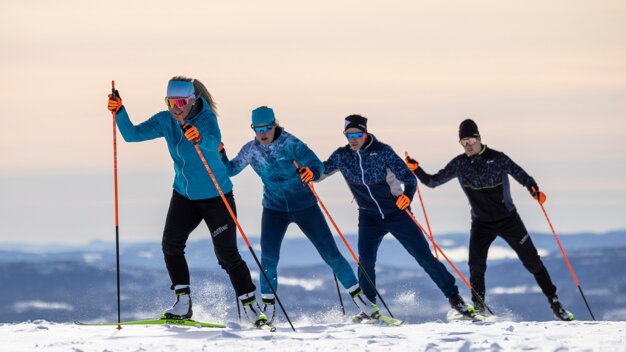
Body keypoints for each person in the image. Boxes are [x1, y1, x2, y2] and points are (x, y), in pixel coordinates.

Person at [106, 76, 267, 325]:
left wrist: (198, 138)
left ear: (192, 100)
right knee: (170, 244)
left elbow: (213, 142)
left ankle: (251, 305)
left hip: (216, 196)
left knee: (226, 255)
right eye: (170, 102)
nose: (175, 107)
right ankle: (183, 303)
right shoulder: (166, 120)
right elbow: (132, 135)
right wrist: (120, 112)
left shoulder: (206, 119)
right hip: (184, 195)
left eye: (181, 102)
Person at [221, 106, 382, 324]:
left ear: (274, 124)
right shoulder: (251, 149)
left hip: (305, 207)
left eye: (267, 127)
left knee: (331, 255)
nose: (262, 133)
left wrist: (311, 172)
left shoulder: (290, 143)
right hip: (273, 210)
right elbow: (230, 169)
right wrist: (220, 153)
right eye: (257, 129)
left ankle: (363, 302)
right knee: (268, 259)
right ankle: (268, 310)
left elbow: (316, 164)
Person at [405, 119, 574, 321]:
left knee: (532, 261)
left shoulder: (498, 158)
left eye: (470, 140)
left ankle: (555, 303)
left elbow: (522, 175)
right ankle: (479, 309)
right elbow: (433, 181)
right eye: (463, 142)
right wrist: (416, 169)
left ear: (479, 138)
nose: (468, 145)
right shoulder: (460, 164)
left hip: (509, 220)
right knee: (476, 265)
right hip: (481, 223)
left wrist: (534, 190)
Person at [319, 114, 475, 320]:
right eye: (348, 135)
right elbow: (320, 171)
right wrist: (305, 171)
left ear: (365, 133)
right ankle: (369, 307)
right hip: (369, 217)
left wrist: (406, 198)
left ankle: (455, 299)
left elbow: (409, 179)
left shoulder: (382, 152)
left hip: (396, 213)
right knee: (365, 261)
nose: (353, 139)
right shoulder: (342, 156)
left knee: (423, 257)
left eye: (357, 134)